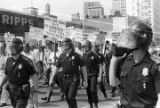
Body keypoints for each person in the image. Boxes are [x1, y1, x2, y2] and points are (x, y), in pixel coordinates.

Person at [109, 21, 160, 108]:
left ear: (142, 40)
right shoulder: (126, 61)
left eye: (130, 38)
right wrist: (113, 61)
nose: (127, 41)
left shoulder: (154, 65)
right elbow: (114, 83)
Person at [49, 38, 87, 108]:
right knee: (67, 97)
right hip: (64, 79)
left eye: (66, 45)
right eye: (63, 45)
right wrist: (52, 78)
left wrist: (85, 80)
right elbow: (56, 68)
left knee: (71, 97)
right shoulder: (61, 55)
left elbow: (83, 67)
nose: (64, 46)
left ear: (70, 45)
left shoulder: (77, 55)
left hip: (74, 78)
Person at [0, 38, 37, 108]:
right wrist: (1, 85)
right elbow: (6, 75)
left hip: (22, 91)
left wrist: (35, 90)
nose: (10, 49)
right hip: (12, 91)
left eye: (12, 47)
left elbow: (34, 75)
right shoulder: (9, 60)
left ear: (18, 48)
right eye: (10, 47)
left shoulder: (27, 61)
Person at [81, 40, 101, 108]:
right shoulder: (83, 56)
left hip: (93, 74)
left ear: (89, 46)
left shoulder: (94, 55)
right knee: (88, 90)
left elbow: (100, 65)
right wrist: (82, 78)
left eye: (86, 46)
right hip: (86, 75)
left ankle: (95, 103)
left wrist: (100, 75)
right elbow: (81, 67)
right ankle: (90, 104)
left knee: (93, 89)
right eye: (84, 47)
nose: (84, 48)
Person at [22, 43, 39, 108]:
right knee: (27, 89)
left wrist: (39, 73)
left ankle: (36, 105)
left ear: (28, 47)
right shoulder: (22, 54)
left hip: (34, 75)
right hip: (25, 75)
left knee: (34, 90)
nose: (24, 49)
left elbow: (38, 63)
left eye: (25, 47)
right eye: (23, 48)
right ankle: (30, 104)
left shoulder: (34, 54)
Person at [0, 42, 9, 107]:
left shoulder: (7, 55)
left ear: (4, 48)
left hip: (5, 73)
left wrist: (5, 67)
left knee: (4, 87)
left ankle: (3, 101)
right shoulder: (0, 55)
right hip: (0, 72)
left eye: (1, 48)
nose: (0, 49)